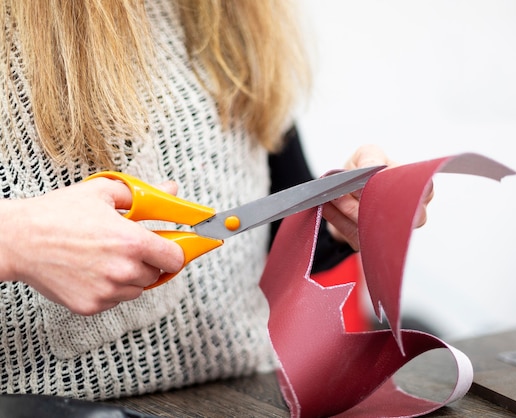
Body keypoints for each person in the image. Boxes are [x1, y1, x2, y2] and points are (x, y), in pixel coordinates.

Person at [0, 0, 432, 400]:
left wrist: (344, 219)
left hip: (242, 395)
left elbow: (262, 234)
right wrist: (16, 239)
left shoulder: (238, 16)